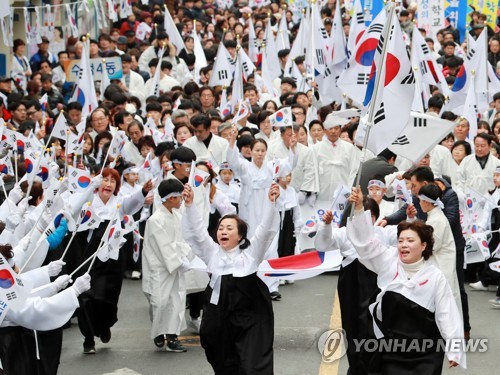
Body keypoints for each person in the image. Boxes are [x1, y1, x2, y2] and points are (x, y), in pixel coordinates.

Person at [347, 186, 465, 372]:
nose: (403, 245)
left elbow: (447, 314)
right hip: (389, 349)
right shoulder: (388, 260)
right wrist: (360, 207)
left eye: (410, 241)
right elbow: (366, 245)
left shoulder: (435, 276)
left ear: (424, 245)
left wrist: (454, 349)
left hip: (425, 352)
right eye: (401, 240)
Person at [181, 182, 281, 374]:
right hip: (218, 313)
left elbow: (265, 231)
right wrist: (189, 205)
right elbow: (197, 232)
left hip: (249, 314)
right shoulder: (212, 253)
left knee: (252, 363)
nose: (223, 232)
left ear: (240, 235)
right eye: (221, 228)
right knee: (221, 357)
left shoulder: (251, 254)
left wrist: (271, 203)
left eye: (229, 228)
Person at [69, 168, 153, 354]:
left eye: (112, 181)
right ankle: (88, 338)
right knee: (89, 296)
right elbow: (73, 211)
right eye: (105, 180)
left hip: (114, 255)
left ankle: (105, 324)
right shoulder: (88, 203)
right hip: (91, 256)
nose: (108, 184)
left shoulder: (118, 203)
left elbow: (131, 204)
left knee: (110, 295)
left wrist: (143, 191)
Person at [142, 179, 192, 351]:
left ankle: (172, 337)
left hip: (174, 266)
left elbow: (180, 239)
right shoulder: (155, 220)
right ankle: (157, 331)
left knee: (176, 301)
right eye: (179, 197)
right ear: (170, 198)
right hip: (159, 268)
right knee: (160, 302)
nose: (181, 201)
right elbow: (162, 245)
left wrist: (184, 255)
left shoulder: (177, 216)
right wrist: (178, 261)